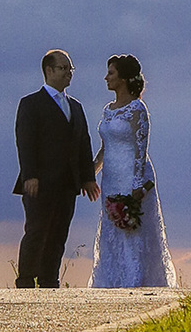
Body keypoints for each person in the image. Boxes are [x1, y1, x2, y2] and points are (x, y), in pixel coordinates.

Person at [89, 54, 177, 288]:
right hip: (111, 179)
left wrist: (137, 184)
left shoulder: (137, 109)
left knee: (133, 229)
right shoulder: (108, 110)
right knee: (112, 227)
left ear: (125, 79)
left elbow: (141, 148)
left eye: (111, 73)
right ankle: (110, 280)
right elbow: (105, 147)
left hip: (132, 178)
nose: (106, 77)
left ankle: (136, 279)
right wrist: (91, 172)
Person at [12, 49, 98, 288]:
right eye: (63, 68)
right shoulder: (31, 103)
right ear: (49, 70)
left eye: (71, 69)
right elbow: (25, 142)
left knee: (59, 234)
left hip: (68, 184)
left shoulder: (76, 106)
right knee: (36, 231)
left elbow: (83, 143)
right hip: (40, 183)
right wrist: (30, 175)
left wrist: (88, 178)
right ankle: (26, 279)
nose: (69, 73)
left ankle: (50, 280)